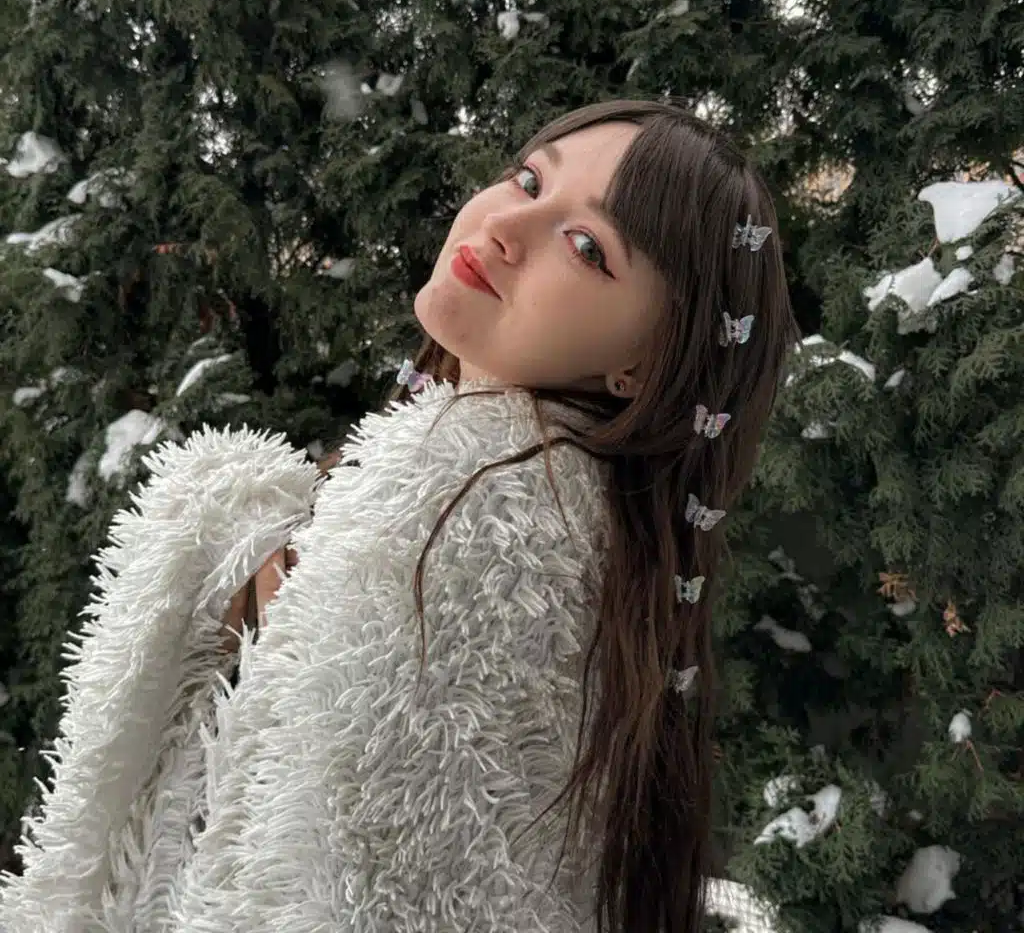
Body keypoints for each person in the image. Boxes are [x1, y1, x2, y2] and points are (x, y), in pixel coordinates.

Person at [0, 98, 796, 933]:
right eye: (529, 181)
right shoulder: (533, 513)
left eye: (588, 247)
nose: (505, 226)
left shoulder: (485, 513)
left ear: (648, 363)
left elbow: (368, 897)